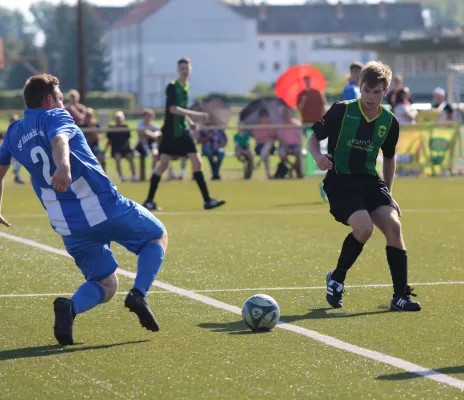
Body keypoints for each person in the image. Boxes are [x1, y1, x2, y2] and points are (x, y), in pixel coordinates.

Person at [0, 74, 168, 345]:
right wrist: (64, 168)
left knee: (105, 284)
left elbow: (0, 171)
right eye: (61, 99)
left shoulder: (14, 132)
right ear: (49, 99)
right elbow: (59, 142)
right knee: (156, 236)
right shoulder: (55, 116)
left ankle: (71, 307)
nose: (63, 104)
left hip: (67, 224)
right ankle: (139, 293)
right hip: (102, 206)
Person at [307, 61, 421, 312]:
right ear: (360, 88)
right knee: (364, 228)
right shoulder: (342, 110)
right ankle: (337, 277)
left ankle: (400, 296)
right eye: (366, 91)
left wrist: (389, 194)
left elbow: (389, 158)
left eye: (376, 92)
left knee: (393, 226)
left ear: (386, 91)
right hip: (341, 180)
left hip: (370, 181)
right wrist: (318, 158)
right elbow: (313, 137)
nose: (370, 97)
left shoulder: (389, 121)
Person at [142, 57, 225, 211]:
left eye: (187, 68)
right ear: (177, 70)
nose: (185, 71)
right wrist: (197, 115)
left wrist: (190, 122)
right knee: (163, 164)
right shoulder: (172, 87)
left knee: (196, 162)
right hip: (171, 132)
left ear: (190, 70)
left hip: (182, 130)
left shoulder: (186, 87)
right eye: (182, 69)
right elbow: (173, 109)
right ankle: (148, 201)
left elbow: (180, 109)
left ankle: (207, 200)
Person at [105, 111, 136, 182]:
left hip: (125, 149)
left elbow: (128, 140)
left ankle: (134, 176)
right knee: (117, 158)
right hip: (116, 149)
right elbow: (109, 141)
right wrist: (105, 151)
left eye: (119, 118)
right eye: (117, 118)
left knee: (131, 157)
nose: (118, 120)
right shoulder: (111, 128)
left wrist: (129, 148)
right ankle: (121, 176)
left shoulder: (125, 127)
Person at [277, 107, 303, 178]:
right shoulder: (280, 124)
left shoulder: (297, 124)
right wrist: (287, 147)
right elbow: (281, 139)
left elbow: (299, 138)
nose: (286, 115)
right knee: (281, 154)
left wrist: (297, 146)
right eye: (285, 114)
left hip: (295, 145)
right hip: (284, 146)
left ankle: (292, 170)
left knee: (299, 153)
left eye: (288, 113)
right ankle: (292, 168)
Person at [252, 109, 277, 180]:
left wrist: (266, 140)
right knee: (265, 153)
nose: (264, 118)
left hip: (270, 147)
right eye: (262, 117)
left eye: (265, 116)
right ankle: (268, 174)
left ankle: (259, 161)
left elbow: (274, 138)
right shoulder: (257, 127)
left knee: (268, 144)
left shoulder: (271, 126)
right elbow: (257, 139)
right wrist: (266, 139)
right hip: (259, 147)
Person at [9, 114, 25, 184]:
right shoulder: (13, 129)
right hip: (12, 150)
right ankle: (16, 176)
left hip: (15, 149)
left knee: (18, 162)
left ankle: (17, 177)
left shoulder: (16, 128)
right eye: (14, 120)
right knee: (18, 162)